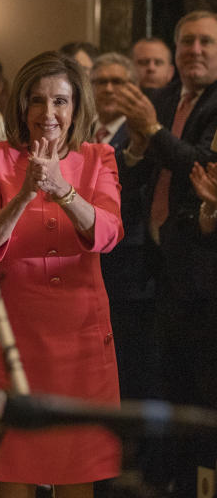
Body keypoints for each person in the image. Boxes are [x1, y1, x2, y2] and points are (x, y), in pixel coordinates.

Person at [0, 51, 123, 498]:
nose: (48, 112)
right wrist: (26, 192)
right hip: (13, 337)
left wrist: (63, 190)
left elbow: (107, 233)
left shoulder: (99, 157)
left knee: (78, 473)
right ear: (21, 104)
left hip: (80, 336)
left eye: (60, 100)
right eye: (37, 100)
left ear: (77, 108)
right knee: (15, 470)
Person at [116, 10, 217, 498]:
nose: (195, 50)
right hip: (160, 267)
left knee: (207, 395)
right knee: (172, 390)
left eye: (206, 41)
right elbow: (133, 167)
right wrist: (137, 148)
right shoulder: (162, 100)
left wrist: (151, 131)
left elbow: (201, 163)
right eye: (187, 42)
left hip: (205, 273)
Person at [89, 53, 160, 402]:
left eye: (119, 82)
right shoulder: (79, 133)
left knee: (127, 362)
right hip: (86, 260)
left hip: (129, 265)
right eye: (101, 82)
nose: (110, 89)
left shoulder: (142, 134)